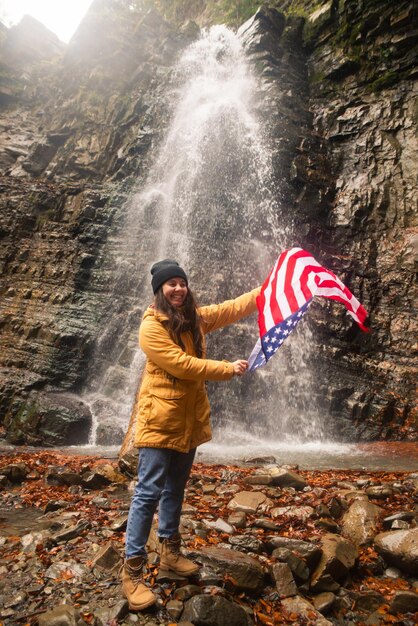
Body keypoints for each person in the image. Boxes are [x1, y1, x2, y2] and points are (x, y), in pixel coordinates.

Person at [121, 259, 260, 610]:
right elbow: (182, 365)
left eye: (182, 283)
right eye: (171, 285)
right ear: (160, 291)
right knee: (147, 493)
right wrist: (226, 369)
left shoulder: (193, 318)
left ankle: (169, 552)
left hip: (189, 421)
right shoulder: (151, 327)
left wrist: (269, 290)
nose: (178, 289)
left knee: (175, 488)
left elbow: (231, 309)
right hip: (159, 422)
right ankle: (132, 571)